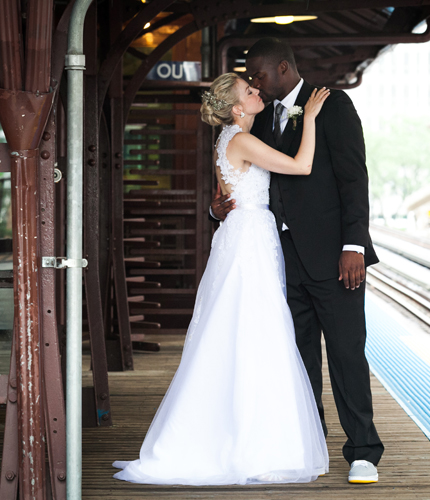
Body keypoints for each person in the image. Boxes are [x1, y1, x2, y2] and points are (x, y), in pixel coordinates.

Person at [112, 74, 331, 485]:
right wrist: (313, 116)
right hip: (249, 238)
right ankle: (255, 443)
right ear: (235, 108)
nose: (257, 93)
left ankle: (245, 435)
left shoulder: (228, 138)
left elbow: (226, 195)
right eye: (249, 92)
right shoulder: (242, 140)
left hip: (242, 234)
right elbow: (302, 167)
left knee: (239, 329)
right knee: (255, 330)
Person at [211, 38, 384, 484]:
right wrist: (217, 209)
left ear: (283, 68)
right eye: (250, 79)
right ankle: (311, 442)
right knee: (298, 355)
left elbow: (353, 177)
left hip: (335, 258)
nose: (255, 83)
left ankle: (363, 451)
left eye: (258, 75)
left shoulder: (332, 104)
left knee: (346, 352)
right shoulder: (256, 117)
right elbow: (239, 179)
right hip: (280, 261)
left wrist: (355, 246)